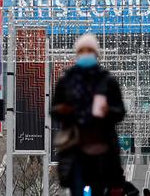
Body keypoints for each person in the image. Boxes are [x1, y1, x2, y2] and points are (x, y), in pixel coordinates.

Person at [52, 33, 127, 196]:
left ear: (96, 53)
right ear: (78, 53)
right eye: (83, 50)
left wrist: (109, 111)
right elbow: (54, 110)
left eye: (89, 50)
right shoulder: (67, 81)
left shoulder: (107, 81)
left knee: (98, 189)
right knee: (77, 189)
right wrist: (63, 110)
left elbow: (120, 111)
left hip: (101, 147)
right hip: (75, 146)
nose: (86, 54)